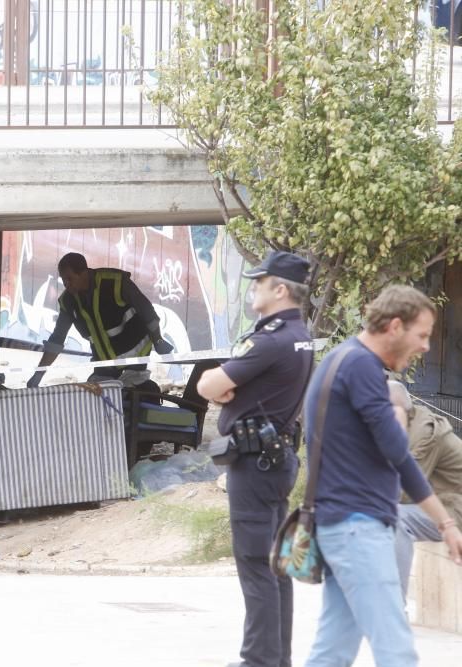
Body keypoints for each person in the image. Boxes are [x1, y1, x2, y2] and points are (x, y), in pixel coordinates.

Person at [302, 285, 462, 667]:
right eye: (422, 335)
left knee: (333, 651)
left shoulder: (340, 360)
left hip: (339, 522)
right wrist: (445, 523)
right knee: (397, 651)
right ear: (394, 326)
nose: (425, 346)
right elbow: (399, 456)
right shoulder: (361, 367)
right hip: (359, 527)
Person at [194, 250, 315, 667]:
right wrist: (229, 388)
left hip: (256, 463)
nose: (252, 288)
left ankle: (259, 660)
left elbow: (208, 385)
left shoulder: (271, 340)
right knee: (276, 562)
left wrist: (223, 389)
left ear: (279, 289)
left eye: (258, 281)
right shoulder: (298, 335)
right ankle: (275, 658)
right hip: (275, 460)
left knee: (254, 560)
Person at [26, 252, 172, 389]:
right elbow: (57, 339)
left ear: (84, 273)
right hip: (105, 362)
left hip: (135, 356)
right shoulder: (68, 301)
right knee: (99, 400)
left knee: (131, 396)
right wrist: (39, 373)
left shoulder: (115, 282)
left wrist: (158, 340)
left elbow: (147, 310)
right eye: (63, 279)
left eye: (70, 278)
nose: (66, 284)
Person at [388, 380, 462, 599]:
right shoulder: (404, 426)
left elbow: (405, 490)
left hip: (454, 506)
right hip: (441, 503)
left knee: (397, 518)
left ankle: (395, 605)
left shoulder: (423, 432)